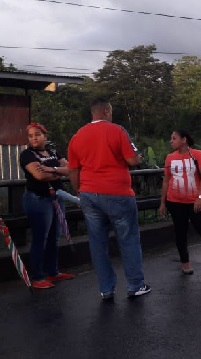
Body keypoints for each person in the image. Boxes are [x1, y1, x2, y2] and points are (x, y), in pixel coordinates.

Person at [68, 98, 151, 301]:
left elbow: (73, 169)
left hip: (88, 193)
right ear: (106, 111)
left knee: (97, 243)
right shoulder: (117, 130)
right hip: (117, 193)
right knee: (128, 239)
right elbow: (132, 159)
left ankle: (106, 289)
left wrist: (79, 190)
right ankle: (135, 285)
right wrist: (138, 157)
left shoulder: (77, 136)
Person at [158, 130, 201, 275]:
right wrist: (162, 203)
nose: (171, 141)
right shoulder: (170, 158)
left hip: (194, 201)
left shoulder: (197, 154)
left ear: (184, 140)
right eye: (171, 138)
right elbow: (166, 181)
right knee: (180, 232)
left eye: (174, 138)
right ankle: (185, 262)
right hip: (175, 201)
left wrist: (200, 197)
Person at [19, 122, 75, 289]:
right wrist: (58, 171)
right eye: (30, 136)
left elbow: (71, 169)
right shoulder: (27, 155)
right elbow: (39, 176)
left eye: (37, 134)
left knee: (54, 237)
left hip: (57, 198)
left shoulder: (52, 151)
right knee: (40, 238)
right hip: (38, 200)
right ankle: (37, 276)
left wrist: (51, 170)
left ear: (45, 135)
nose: (34, 138)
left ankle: (53, 271)